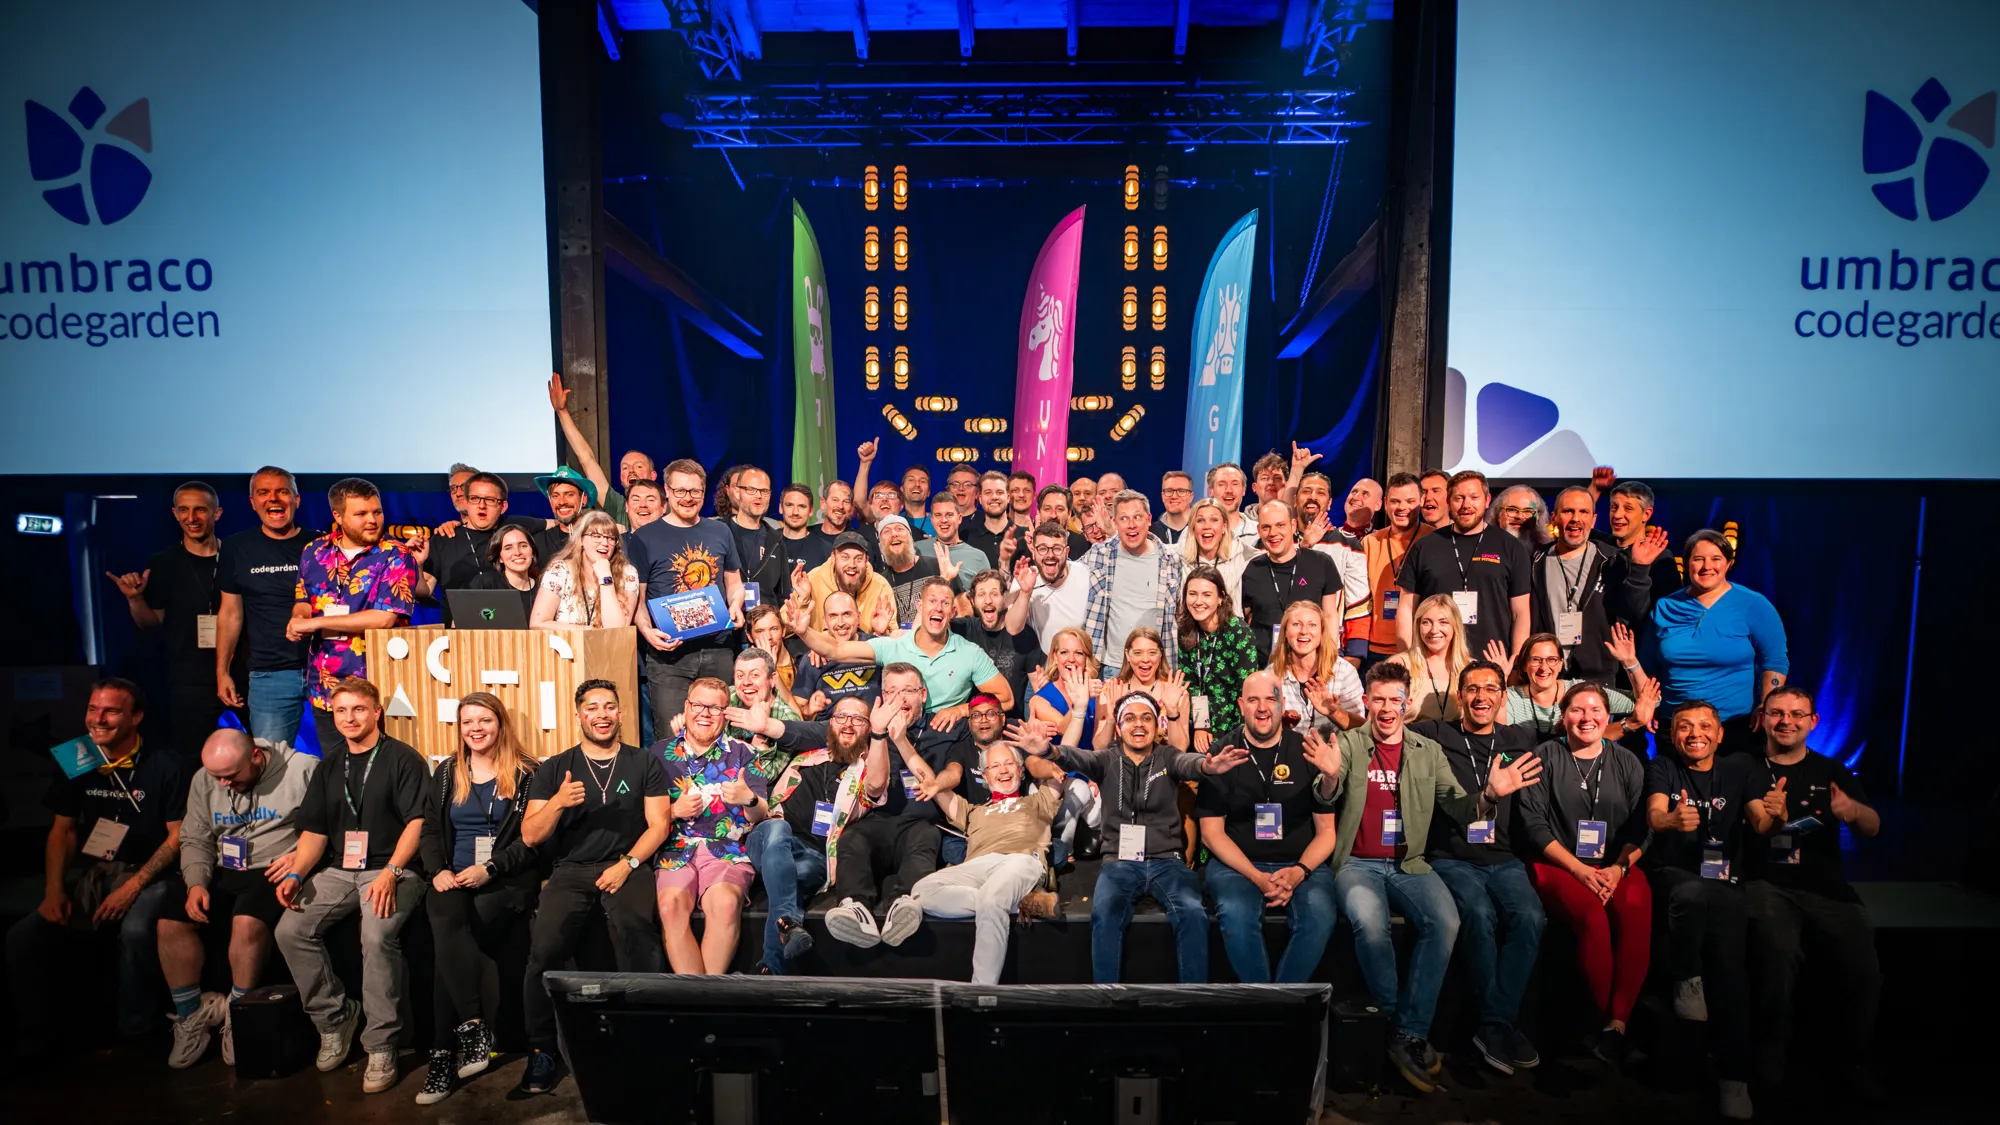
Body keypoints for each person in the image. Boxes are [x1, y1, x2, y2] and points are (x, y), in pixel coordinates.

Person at [1314, 661, 1541, 1092]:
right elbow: (1328, 792)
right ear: (1366, 702)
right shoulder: (1346, 743)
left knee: (1447, 922)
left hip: (1411, 864)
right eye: (1377, 699)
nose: (1385, 709)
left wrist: (1491, 793)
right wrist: (1327, 778)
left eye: (1393, 700)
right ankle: (1394, 1023)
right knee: (1370, 923)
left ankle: (1408, 1032)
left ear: (1406, 704)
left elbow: (1459, 806)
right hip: (1358, 863)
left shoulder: (1426, 750)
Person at [8, 679, 193, 1056]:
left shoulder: (165, 762)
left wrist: (134, 885)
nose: (98, 719)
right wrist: (54, 889)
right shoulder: (77, 755)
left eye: (110, 711)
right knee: (22, 936)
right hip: (97, 872)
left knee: (138, 927)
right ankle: (36, 1037)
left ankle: (137, 1032)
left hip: (153, 873)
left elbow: (177, 838)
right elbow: (64, 829)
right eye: (93, 709)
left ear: (136, 717)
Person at [1015, 694, 1249, 983]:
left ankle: (1193, 1001)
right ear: (1119, 727)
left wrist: (1208, 767)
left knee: (1192, 913)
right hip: (1120, 863)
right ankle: (1107, 999)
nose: (1138, 725)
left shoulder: (1168, 757)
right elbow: (1076, 756)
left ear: (1156, 725)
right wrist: (1049, 750)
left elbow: (1190, 763)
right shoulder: (1106, 759)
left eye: (1146, 718)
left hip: (1168, 862)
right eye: (1130, 718)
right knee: (1105, 914)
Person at [516, 680, 672, 1096]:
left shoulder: (643, 762)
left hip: (628, 864)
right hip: (571, 869)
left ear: (620, 714)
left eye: (609, 707)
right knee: (543, 950)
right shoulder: (555, 767)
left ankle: (648, 1042)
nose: (601, 714)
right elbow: (530, 835)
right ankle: (542, 1050)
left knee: (639, 936)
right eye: (592, 707)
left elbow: (660, 825)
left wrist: (627, 864)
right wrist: (557, 803)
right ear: (579, 715)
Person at [273, 677, 428, 1094]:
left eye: (358, 709)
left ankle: (381, 1044)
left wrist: (391, 872)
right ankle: (335, 1017)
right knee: (289, 929)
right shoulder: (329, 765)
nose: (349, 718)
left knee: (376, 936)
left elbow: (417, 823)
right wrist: (294, 873)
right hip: (340, 870)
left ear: (377, 712)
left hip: (395, 869)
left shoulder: (403, 759)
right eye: (341, 711)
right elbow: (316, 833)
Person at [1740, 684, 1883, 1096]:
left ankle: (1852, 1060)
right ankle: (1769, 1054)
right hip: (1766, 883)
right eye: (1777, 713)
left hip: (1826, 887)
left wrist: (1854, 811)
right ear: (1762, 719)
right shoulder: (1744, 767)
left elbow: (1872, 827)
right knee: (1775, 951)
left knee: (1861, 961)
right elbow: (1750, 825)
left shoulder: (1832, 771)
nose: (1786, 721)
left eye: (1796, 714)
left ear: (1813, 721)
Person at [1411, 661, 1546, 1077]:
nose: (1482, 696)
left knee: (1531, 918)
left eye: (1491, 688)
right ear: (1460, 697)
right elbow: (1389, 733)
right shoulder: (1436, 734)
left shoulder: (1518, 739)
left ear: (1504, 697)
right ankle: (1498, 1024)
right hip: (1452, 858)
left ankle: (1494, 1023)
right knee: (1480, 915)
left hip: (1504, 859)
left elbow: (1577, 736)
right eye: (1472, 689)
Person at [157, 728, 314, 1068]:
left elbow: (326, 825)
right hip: (224, 866)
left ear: (255, 757)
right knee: (170, 921)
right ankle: (191, 1015)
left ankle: (237, 1014)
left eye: (231, 775)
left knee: (246, 922)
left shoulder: (302, 769)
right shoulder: (205, 779)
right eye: (217, 777)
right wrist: (196, 883)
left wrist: (300, 855)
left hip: (274, 866)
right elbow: (195, 837)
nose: (224, 784)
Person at [1515, 682, 1651, 1065]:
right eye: (1577, 710)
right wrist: (1579, 870)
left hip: (1614, 864)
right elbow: (1534, 827)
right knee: (1593, 916)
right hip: (1557, 862)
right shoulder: (1544, 755)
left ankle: (1617, 1026)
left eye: (1595, 711)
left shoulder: (1626, 761)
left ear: (1608, 718)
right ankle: (1596, 1022)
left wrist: (1618, 867)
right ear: (1563, 717)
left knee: (1637, 910)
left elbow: (1643, 828)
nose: (1587, 718)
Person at [415, 693, 541, 1105]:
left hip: (504, 882)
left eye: (484, 720)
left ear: (500, 723)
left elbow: (532, 842)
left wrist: (492, 868)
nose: (476, 728)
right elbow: (430, 830)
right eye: (468, 721)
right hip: (454, 877)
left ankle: (441, 1054)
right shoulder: (449, 772)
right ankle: (471, 1027)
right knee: (444, 913)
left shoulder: (527, 773)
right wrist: (439, 872)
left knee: (448, 939)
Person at [794, 666, 974, 947]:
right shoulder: (872, 727)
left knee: (926, 837)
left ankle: (904, 903)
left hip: (922, 822)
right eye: (891, 691)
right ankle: (854, 907)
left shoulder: (945, 730)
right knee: (852, 838)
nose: (899, 698)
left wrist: (903, 738)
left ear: (923, 695)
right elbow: (817, 732)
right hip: (878, 819)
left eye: (907, 691)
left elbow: (942, 779)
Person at [1642, 701, 1758, 1121]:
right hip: (1675, 876)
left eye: (1705, 726)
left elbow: (1761, 821)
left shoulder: (1739, 769)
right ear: (1672, 735)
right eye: (1685, 727)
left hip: (1724, 884)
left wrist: (1776, 818)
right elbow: (1655, 813)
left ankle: (1734, 1079)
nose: (1695, 734)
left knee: (1730, 973)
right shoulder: (1662, 768)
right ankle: (1687, 975)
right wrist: (1670, 820)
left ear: (1720, 733)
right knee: (1691, 891)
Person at [1196, 672, 1341, 983]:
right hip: (1238, 866)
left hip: (1300, 862)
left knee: (1319, 917)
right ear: (1241, 706)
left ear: (1282, 704)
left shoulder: (1307, 749)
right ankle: (1267, 1004)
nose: (1262, 708)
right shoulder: (1222, 753)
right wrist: (1257, 877)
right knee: (1236, 914)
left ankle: (1281, 1003)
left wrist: (1300, 871)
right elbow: (1211, 833)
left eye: (1270, 699)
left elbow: (1327, 833)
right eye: (1253, 700)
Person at [900, 737, 1067, 983]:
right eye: (995, 766)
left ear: (1020, 772)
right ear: (985, 778)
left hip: (1020, 860)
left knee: (991, 899)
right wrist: (899, 739)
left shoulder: (1038, 801)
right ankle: (1019, 902)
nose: (1003, 770)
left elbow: (1056, 770)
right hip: (978, 866)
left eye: (1009, 763)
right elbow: (929, 781)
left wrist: (1078, 712)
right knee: (922, 890)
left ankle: (982, 992)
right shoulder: (972, 811)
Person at [743, 695, 888, 974]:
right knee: (778, 828)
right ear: (829, 724)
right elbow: (766, 810)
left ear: (868, 729)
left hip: (816, 856)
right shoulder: (805, 759)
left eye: (858, 720)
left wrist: (881, 736)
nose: (848, 724)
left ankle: (771, 969)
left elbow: (877, 786)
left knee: (792, 878)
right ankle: (787, 922)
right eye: (841, 717)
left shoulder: (867, 772)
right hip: (770, 837)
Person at [290, 478, 417, 752]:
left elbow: (384, 618)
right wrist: (299, 620)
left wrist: (317, 622)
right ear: (338, 516)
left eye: (377, 512)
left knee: (379, 774)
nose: (372, 520)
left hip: (379, 686)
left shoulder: (395, 554)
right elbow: (303, 598)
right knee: (337, 772)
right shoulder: (314, 551)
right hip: (326, 688)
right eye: (361, 514)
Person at [107, 481, 233, 756]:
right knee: (192, 757)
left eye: (200, 510)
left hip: (239, 675)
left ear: (217, 513)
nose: (191, 518)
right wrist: (134, 598)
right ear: (175, 514)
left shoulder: (237, 555)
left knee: (248, 753)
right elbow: (150, 623)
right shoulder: (163, 563)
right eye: (184, 510)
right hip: (188, 680)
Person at [654, 679, 770, 977]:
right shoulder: (657, 755)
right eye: (698, 705)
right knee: (670, 905)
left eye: (715, 707)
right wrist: (672, 811)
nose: (705, 713)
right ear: (686, 707)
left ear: (725, 712)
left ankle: (704, 997)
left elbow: (762, 813)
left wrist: (749, 798)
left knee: (726, 904)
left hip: (727, 851)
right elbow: (640, 816)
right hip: (675, 848)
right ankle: (700, 1000)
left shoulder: (744, 753)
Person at [1643, 529, 1789, 752]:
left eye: (1716, 559)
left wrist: (1766, 706)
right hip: (1675, 726)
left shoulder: (1753, 604)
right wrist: (1649, 705)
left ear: (1729, 563)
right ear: (1688, 563)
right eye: (1698, 559)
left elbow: (1774, 661)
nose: (1706, 566)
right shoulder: (1665, 607)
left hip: (1735, 727)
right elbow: (1649, 665)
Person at [629, 459, 747, 736]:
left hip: (718, 647)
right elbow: (636, 599)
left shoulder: (720, 531)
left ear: (703, 493)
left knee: (722, 734)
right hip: (670, 656)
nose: (688, 498)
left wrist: (735, 606)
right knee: (673, 739)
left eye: (695, 491)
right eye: (680, 491)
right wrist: (646, 631)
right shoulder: (644, 537)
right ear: (667, 492)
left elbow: (734, 582)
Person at [786, 577, 1010, 721]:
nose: (938, 608)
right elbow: (835, 649)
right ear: (920, 607)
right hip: (899, 731)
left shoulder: (969, 653)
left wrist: (961, 710)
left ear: (953, 613)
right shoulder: (894, 646)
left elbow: (1006, 699)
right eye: (932, 601)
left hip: (947, 736)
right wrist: (804, 632)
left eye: (945, 604)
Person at [216, 467, 316, 746]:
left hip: (326, 668)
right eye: (264, 493)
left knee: (342, 758)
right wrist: (222, 671)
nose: (274, 499)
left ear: (297, 499)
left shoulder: (320, 544)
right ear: (252, 502)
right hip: (269, 674)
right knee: (271, 764)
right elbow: (230, 613)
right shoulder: (236, 548)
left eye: (282, 491)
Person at [1397, 471, 1531, 663]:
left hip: (1492, 663)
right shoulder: (1424, 547)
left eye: (1474, 497)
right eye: (1459, 498)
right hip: (1434, 662)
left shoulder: (1511, 547)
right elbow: (1407, 607)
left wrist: (1516, 663)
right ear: (1449, 502)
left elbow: (1521, 612)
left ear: (1487, 500)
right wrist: (1407, 660)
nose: (1466, 505)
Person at [1530, 486, 1661, 682]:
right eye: (1568, 511)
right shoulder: (1535, 561)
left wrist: (1640, 570)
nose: (1576, 518)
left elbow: (1634, 613)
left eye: (1584, 512)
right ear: (1554, 517)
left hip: (1599, 678)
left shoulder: (1614, 560)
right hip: (1546, 677)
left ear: (1593, 520)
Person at [1078, 491, 1182, 676]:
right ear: (1115, 523)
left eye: (1137, 517)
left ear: (1149, 519)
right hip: (1113, 667)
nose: (1131, 525)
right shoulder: (1099, 555)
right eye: (1124, 518)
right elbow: (1065, 576)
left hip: (1158, 667)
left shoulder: (1170, 559)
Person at [1240, 501, 1344, 664]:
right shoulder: (1252, 568)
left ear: (1293, 525)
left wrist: (1329, 658)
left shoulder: (1321, 563)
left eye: (1280, 525)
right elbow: (1243, 618)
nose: (1273, 533)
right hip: (1264, 666)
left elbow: (1330, 615)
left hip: (1310, 664)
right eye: (1266, 527)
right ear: (1259, 531)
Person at [1503, 630, 1655, 740]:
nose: (1544, 667)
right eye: (1536, 660)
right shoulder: (1512, 698)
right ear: (1524, 665)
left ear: (1561, 664)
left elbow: (1646, 701)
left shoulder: (1580, 692)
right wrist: (1500, 680)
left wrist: (1630, 662)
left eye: (1552, 659)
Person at [411, 471, 514, 624]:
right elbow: (423, 592)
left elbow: (555, 525)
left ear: (503, 506)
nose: (482, 505)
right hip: (458, 636)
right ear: (466, 502)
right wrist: (418, 564)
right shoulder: (444, 539)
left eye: (490, 500)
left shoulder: (515, 534)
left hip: (511, 631)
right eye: (475, 499)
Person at [1177, 565, 1261, 752]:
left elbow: (1247, 689)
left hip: (1236, 727)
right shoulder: (1186, 630)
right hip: (1201, 727)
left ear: (1220, 598)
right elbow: (1192, 684)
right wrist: (1201, 724)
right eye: (1192, 594)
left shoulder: (1238, 631)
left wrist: (1241, 738)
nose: (1198, 601)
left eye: (1207, 594)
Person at [1297, 473, 1372, 661]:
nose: (1313, 496)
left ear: (1329, 503)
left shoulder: (1348, 544)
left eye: (1320, 492)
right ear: (1295, 498)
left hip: (1329, 651)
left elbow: (1358, 605)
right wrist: (1303, 546)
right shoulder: (1278, 540)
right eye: (1306, 491)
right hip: (1282, 647)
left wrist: (1354, 657)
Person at [546, 371, 632, 527]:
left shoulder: (668, 511)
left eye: (639, 467)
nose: (632, 470)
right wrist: (562, 412)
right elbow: (587, 460)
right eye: (625, 468)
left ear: (653, 476)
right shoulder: (619, 508)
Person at [1596, 475, 1682, 629]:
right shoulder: (1600, 544)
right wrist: (1594, 489)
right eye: (1614, 507)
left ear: (1646, 514)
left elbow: (1662, 614)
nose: (1617, 515)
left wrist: (1640, 568)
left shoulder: (1660, 557)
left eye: (1628, 508)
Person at [531, 510, 641, 630]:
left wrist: (606, 578)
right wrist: (586, 632)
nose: (605, 543)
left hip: (610, 647)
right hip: (566, 646)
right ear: (581, 540)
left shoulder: (627, 573)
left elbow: (617, 629)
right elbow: (538, 623)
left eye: (610, 538)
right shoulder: (560, 570)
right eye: (597, 536)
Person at [1362, 473, 1430, 667]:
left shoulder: (1433, 541)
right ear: (1385, 503)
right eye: (1395, 501)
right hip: (1375, 649)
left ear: (1421, 501)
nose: (1402, 508)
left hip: (1420, 646)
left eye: (1410, 501)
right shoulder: (1370, 542)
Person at [953, 566, 1040, 717]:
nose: (988, 601)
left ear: (1005, 600)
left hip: (1011, 725)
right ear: (972, 601)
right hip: (971, 724)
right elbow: (927, 627)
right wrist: (945, 579)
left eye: (994, 594)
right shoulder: (964, 629)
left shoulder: (1024, 635)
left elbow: (1039, 690)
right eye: (981, 595)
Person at [1269, 601, 1365, 734]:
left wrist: (1334, 712)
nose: (1304, 631)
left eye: (1312, 625)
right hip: (1287, 752)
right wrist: (1279, 723)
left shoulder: (1344, 672)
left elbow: (1362, 728)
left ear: (1321, 632)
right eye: (1296, 624)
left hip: (1334, 752)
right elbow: (1260, 726)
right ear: (1285, 631)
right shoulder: (1271, 675)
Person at [1093, 629, 1192, 751]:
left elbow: (1180, 748)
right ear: (1127, 655)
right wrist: (1110, 720)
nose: (1145, 659)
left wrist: (1171, 711)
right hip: (1119, 766)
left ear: (1160, 655)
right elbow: (1099, 748)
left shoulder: (1177, 693)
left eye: (1152, 652)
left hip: (1162, 767)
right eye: (1138, 653)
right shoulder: (1110, 690)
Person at [790, 589, 882, 715]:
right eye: (833, 616)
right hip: (828, 729)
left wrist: (889, 635)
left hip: (871, 726)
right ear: (825, 621)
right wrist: (809, 710)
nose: (840, 623)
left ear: (859, 617)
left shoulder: (877, 646)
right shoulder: (813, 657)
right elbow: (797, 711)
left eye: (847, 614)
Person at [1392, 594, 1474, 722]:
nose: (1434, 630)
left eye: (1443, 622)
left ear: (1455, 626)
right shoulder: (1399, 665)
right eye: (1426, 622)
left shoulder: (1471, 669)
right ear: (1418, 626)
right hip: (1411, 740)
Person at [801, 534, 895, 632]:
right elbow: (787, 627)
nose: (852, 565)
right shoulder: (813, 579)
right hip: (820, 646)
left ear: (866, 560)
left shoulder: (880, 586)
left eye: (858, 558)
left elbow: (893, 632)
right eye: (845, 557)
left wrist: (882, 634)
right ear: (833, 557)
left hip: (865, 646)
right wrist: (802, 601)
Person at [723, 465, 787, 606]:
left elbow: (783, 595)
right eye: (751, 490)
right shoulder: (719, 533)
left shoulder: (776, 540)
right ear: (737, 493)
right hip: (730, 623)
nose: (758, 496)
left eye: (764, 491)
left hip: (766, 625)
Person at [1025, 519, 1090, 653]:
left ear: (1067, 551)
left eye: (1057, 549)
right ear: (1034, 551)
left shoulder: (1086, 575)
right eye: (1043, 549)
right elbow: (1013, 627)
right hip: (1041, 667)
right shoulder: (1026, 578)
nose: (1050, 555)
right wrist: (1025, 593)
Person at [1029, 627, 1101, 747]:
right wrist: (1082, 700)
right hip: (1060, 762)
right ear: (1055, 657)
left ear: (1086, 658)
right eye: (1064, 652)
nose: (1071, 659)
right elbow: (1062, 729)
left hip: (1094, 760)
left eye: (1078, 653)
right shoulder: (1039, 700)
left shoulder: (1098, 691)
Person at [914, 491, 991, 595]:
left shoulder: (978, 557)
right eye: (938, 515)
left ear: (959, 518)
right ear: (931, 519)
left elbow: (985, 597)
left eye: (949, 515)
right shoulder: (917, 550)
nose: (944, 520)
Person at [1180, 498, 1248, 613]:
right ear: (1192, 527)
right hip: (1189, 628)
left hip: (1229, 628)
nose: (1207, 526)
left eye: (1214, 520)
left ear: (1224, 526)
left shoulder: (1243, 557)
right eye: (1200, 520)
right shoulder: (1178, 558)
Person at [462, 523, 542, 620]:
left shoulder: (544, 590)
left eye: (523, 546)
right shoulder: (485, 584)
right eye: (508, 548)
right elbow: (460, 624)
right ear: (499, 557)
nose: (517, 553)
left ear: (532, 552)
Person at [874, 514, 944, 623]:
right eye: (886, 532)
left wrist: (947, 579)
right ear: (881, 545)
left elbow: (961, 606)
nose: (894, 534)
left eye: (899, 529)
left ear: (910, 537)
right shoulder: (880, 582)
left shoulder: (936, 566)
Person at [962, 470, 1031, 570]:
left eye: (999, 492)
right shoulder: (966, 537)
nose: (994, 497)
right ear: (980, 499)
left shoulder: (1025, 536)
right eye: (988, 492)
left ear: (1008, 498)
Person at [530, 465, 599, 562]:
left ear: (583, 499)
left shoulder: (600, 537)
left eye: (569, 494)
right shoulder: (539, 542)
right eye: (555, 496)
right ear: (550, 501)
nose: (562, 502)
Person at [774, 483, 832, 596]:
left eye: (802, 506)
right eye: (789, 505)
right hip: (772, 612)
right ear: (781, 508)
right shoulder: (767, 542)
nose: (795, 512)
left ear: (811, 511)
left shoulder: (825, 549)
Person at [1033, 484, 1092, 559]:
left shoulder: (1083, 543)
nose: (1053, 515)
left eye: (1060, 509)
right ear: (1038, 512)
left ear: (1069, 514)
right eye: (1047, 509)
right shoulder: (1026, 544)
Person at [1151, 470, 1195, 543]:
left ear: (1191, 497)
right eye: (1169, 490)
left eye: (1181, 491)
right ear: (1162, 496)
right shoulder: (1151, 532)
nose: (1174, 496)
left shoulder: (1201, 529)